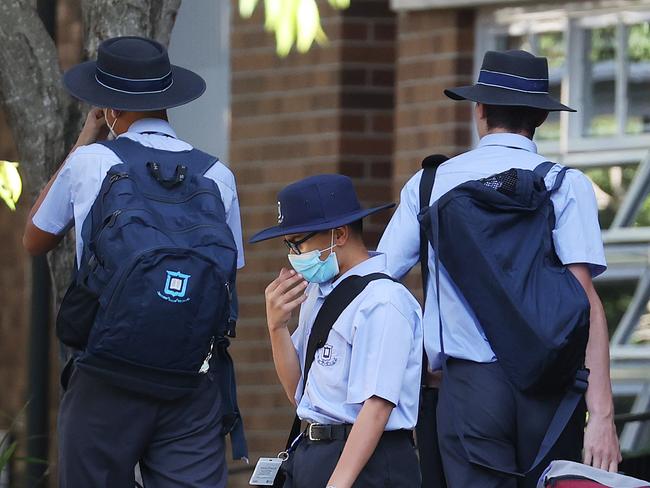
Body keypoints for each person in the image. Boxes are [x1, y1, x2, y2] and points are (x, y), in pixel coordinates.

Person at [378, 49, 621, 487]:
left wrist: (419, 357)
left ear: (480, 109)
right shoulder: (565, 184)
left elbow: (379, 284)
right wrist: (602, 415)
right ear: (540, 118)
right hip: (552, 386)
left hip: (469, 386)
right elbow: (586, 305)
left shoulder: (430, 184)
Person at [23, 36, 246, 488]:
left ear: (108, 109)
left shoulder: (91, 162)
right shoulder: (217, 175)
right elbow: (228, 271)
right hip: (191, 377)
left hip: (107, 373)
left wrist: (87, 136)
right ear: (167, 102)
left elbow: (35, 237)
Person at [249, 174, 423, 488]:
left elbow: (377, 405)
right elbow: (299, 393)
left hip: (368, 460)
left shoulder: (383, 300)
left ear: (339, 234)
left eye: (298, 243)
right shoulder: (317, 293)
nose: (293, 254)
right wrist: (277, 326)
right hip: (313, 449)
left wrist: (338, 483)